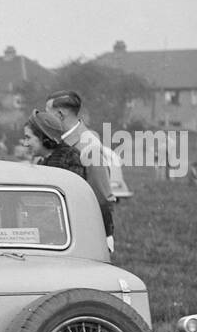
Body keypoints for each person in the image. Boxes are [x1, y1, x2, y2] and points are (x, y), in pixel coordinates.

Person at [23, 109, 115, 248]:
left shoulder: (68, 164)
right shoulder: (45, 162)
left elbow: (63, 214)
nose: (25, 143)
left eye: (28, 138)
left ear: (44, 138)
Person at [45, 89, 131, 199]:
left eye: (47, 114)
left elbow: (101, 199)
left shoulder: (89, 146)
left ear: (60, 114)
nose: (44, 120)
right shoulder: (55, 141)